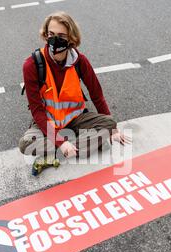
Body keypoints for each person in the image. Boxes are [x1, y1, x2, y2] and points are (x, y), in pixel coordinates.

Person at [19, 11, 130, 164]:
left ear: (71, 38)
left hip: (75, 118)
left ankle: (67, 149)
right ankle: (79, 145)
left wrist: (113, 130)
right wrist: (61, 142)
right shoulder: (31, 65)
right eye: (51, 34)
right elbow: (37, 110)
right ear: (45, 35)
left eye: (61, 36)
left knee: (109, 123)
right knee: (26, 144)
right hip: (47, 121)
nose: (55, 40)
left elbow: (96, 95)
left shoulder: (80, 61)